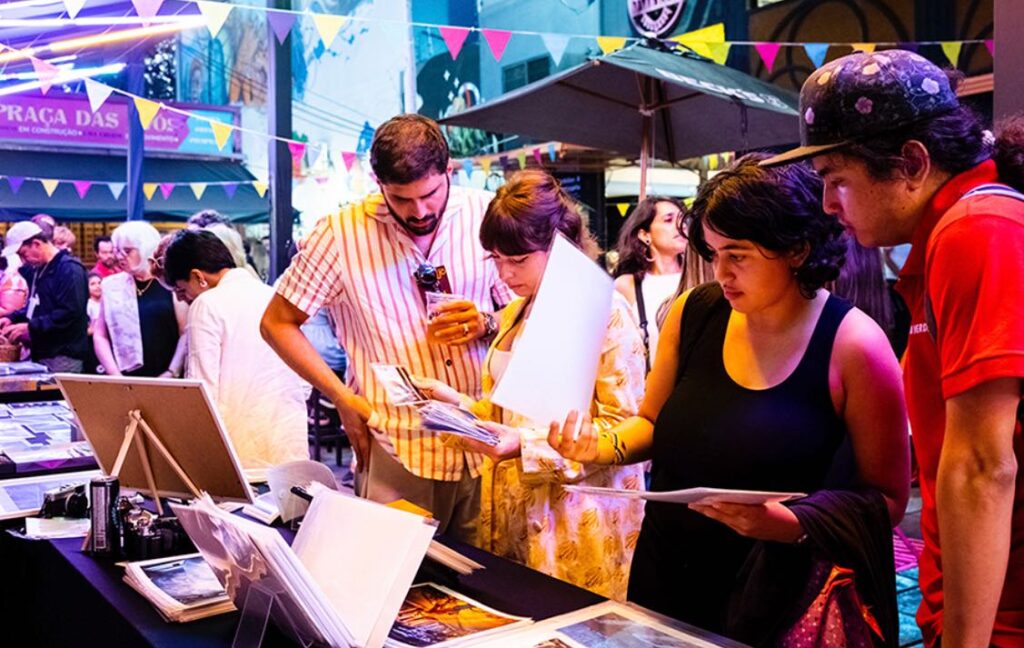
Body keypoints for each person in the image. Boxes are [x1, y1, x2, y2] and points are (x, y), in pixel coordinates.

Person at [552, 155, 910, 645]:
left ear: (797, 250)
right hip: (666, 571)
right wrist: (599, 448)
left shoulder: (854, 345)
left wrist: (790, 523)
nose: (720, 272)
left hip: (774, 590)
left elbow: (887, 498)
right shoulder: (695, 312)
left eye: (737, 255)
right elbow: (653, 422)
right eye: (714, 252)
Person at [763, 49, 1024, 648]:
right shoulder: (947, 238)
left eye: (837, 180)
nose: (829, 205)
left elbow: (984, 467)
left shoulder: (976, 229)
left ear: (911, 162)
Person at [260, 114, 512, 541]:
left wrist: (487, 321)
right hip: (398, 444)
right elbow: (276, 324)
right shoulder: (340, 234)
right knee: (397, 590)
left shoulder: (485, 213)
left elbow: (526, 313)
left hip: (486, 440)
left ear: (448, 168)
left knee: (488, 586)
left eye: (430, 195)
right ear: (378, 183)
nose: (420, 212)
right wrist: (341, 397)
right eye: (401, 199)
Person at [416, 170, 646, 600]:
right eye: (496, 260)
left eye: (518, 260)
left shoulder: (605, 311)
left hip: (576, 519)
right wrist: (459, 407)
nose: (504, 273)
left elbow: (625, 431)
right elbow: (510, 414)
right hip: (512, 511)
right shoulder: (516, 312)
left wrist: (524, 446)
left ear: (560, 246)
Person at [161, 230, 309, 472]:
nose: (185, 299)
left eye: (182, 290)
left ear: (197, 276)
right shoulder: (275, 295)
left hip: (238, 450)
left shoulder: (206, 304)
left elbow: (203, 390)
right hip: (289, 441)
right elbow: (305, 380)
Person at [93, 222, 186, 378]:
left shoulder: (170, 281)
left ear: (146, 249)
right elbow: (100, 334)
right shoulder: (111, 285)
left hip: (167, 379)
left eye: (127, 251)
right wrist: (115, 374)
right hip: (124, 379)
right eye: (117, 250)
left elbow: (186, 333)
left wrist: (172, 371)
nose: (120, 256)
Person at [0, 221, 89, 372]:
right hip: (43, 351)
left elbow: (69, 313)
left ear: (36, 244)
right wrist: (13, 318)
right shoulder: (39, 269)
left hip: (63, 354)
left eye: (23, 254)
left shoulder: (69, 270)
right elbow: (36, 307)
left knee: (58, 393)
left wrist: (30, 327)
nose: (23, 260)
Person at [612, 197, 689, 371]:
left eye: (682, 219)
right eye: (668, 220)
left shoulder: (699, 277)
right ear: (645, 235)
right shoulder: (628, 285)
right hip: (650, 391)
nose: (681, 225)